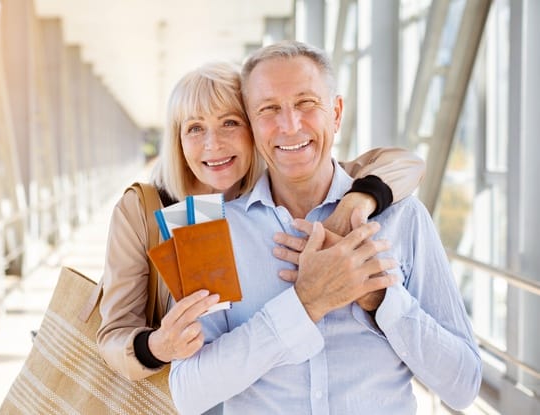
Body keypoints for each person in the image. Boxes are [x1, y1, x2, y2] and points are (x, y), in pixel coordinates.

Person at [169, 41, 482, 414]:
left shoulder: (404, 216)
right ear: (252, 127)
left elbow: (464, 386)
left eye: (306, 103)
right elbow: (189, 394)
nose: (290, 124)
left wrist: (379, 299)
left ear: (335, 113)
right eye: (269, 109)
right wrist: (306, 303)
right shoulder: (201, 228)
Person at [96, 61, 425, 382]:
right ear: (178, 140)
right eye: (195, 128)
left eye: (229, 123)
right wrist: (157, 346)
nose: (214, 143)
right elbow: (113, 333)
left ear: (254, 128)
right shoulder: (144, 209)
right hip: (184, 391)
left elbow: (404, 162)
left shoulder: (277, 187)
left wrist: (356, 200)